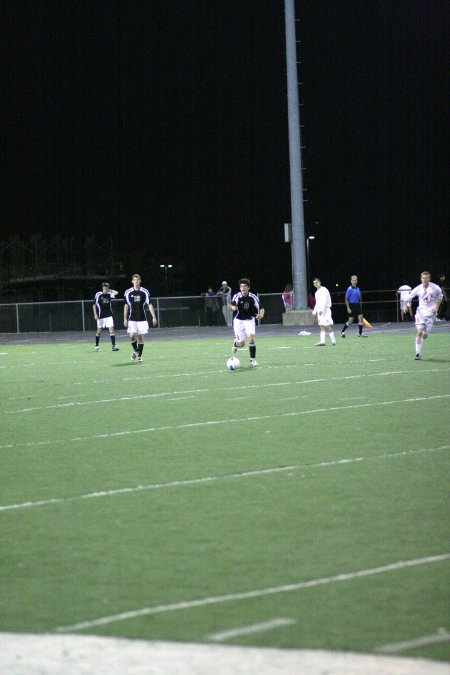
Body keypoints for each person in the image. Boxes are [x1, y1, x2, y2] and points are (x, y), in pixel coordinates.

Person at [406, 271, 443, 360]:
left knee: (425, 335)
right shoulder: (418, 288)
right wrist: (404, 306)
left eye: (426, 278)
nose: (424, 280)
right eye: (423, 278)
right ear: (421, 279)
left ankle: (426, 333)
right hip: (420, 313)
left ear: (429, 279)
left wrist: (436, 307)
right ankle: (418, 354)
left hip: (431, 314)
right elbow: (409, 296)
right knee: (419, 332)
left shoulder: (435, 288)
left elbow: (440, 297)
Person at [229, 278, 265, 367]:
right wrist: (232, 308)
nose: (243, 288)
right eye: (241, 286)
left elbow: (261, 308)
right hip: (238, 321)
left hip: (249, 320)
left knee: (251, 338)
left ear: (248, 287)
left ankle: (252, 360)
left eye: (245, 286)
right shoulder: (237, 296)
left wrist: (261, 315)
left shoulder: (253, 297)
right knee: (241, 343)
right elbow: (232, 306)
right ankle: (235, 343)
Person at [123, 274, 157, 362]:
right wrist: (125, 318)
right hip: (132, 318)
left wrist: (154, 317)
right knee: (132, 335)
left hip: (142, 318)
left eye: (138, 280)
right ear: (132, 281)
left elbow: (149, 304)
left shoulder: (144, 292)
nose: (136, 281)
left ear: (140, 281)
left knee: (141, 337)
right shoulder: (128, 292)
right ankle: (136, 350)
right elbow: (126, 306)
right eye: (135, 280)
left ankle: (139, 356)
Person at [93, 282, 120, 351]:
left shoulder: (109, 294)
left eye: (106, 287)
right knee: (99, 331)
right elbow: (94, 304)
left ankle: (113, 346)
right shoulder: (98, 294)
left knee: (111, 329)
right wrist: (95, 314)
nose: (105, 288)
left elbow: (116, 293)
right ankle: (96, 346)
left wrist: (110, 290)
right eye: (104, 287)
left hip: (108, 315)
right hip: (100, 316)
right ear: (102, 288)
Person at [312, 278, 336, 346]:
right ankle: (322, 341)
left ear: (319, 282)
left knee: (326, 325)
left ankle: (333, 340)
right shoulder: (316, 293)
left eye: (317, 282)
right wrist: (314, 311)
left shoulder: (324, 290)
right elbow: (317, 303)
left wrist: (322, 310)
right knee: (321, 326)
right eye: (314, 283)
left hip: (326, 309)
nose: (315, 284)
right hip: (320, 310)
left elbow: (325, 301)